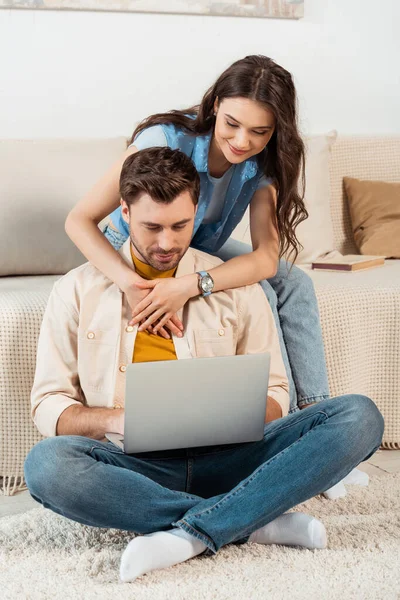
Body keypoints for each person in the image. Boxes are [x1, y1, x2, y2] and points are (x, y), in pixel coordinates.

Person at [25, 148, 384, 584]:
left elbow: (276, 394)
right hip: (136, 466)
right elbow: (49, 405)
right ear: (123, 212)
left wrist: (224, 417)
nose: (166, 242)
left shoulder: (232, 285)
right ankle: (248, 521)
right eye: (151, 226)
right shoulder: (76, 291)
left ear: (196, 210)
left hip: (234, 457)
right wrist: (127, 420)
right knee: (47, 465)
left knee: (358, 416)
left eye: (180, 225)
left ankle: (188, 531)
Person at [64, 54, 329, 416]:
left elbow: (266, 257)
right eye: (232, 123)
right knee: (261, 293)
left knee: (294, 283)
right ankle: (276, 423)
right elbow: (79, 220)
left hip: (199, 249)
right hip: (135, 247)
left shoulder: (263, 162)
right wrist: (127, 281)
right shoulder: (165, 139)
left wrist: (192, 284)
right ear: (216, 104)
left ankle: (315, 416)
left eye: (259, 132)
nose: (241, 141)